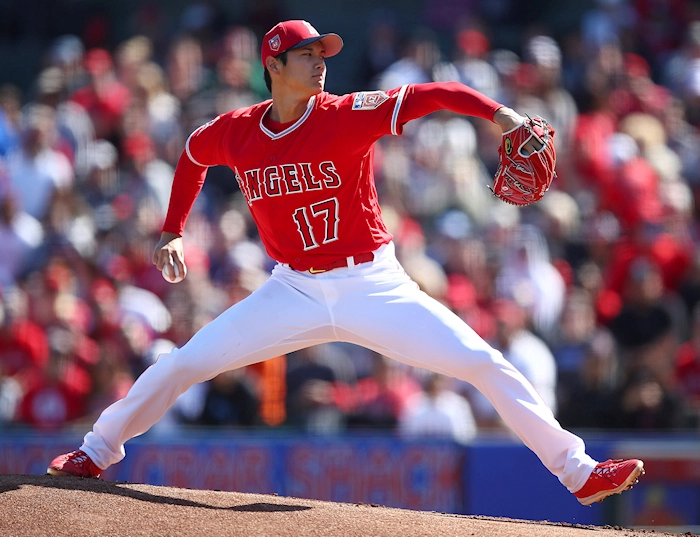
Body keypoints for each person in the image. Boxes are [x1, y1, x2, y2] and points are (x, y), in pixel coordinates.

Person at [47, 19, 644, 507]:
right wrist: (173, 227)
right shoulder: (238, 132)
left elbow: (431, 95)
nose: (320, 61)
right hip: (292, 291)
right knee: (185, 363)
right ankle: (97, 450)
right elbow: (191, 153)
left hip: (372, 284)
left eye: (322, 52)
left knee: (482, 363)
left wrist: (502, 116)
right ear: (273, 67)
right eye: (305, 54)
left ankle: (578, 471)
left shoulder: (345, 112)